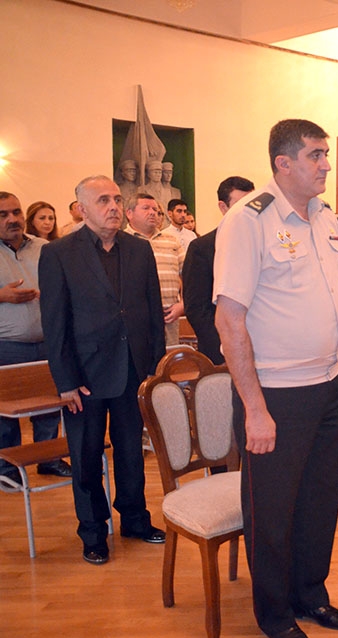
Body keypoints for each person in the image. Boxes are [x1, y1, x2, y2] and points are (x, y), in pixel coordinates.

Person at [214, 119, 338, 638]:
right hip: (275, 392)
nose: (326, 165)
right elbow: (230, 321)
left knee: (320, 501)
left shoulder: (325, 216)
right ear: (284, 162)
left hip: (326, 385)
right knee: (272, 511)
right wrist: (254, 408)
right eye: (317, 155)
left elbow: (336, 301)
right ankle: (275, 614)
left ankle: (311, 595)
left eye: (326, 154)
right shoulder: (248, 221)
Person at [39, 175, 167, 565]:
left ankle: (135, 519)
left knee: (131, 452)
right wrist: (66, 381)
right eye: (103, 200)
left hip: (132, 370)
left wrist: (155, 370)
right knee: (86, 457)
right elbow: (55, 323)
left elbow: (152, 311)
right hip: (85, 376)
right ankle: (93, 532)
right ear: (81, 209)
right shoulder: (59, 253)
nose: (113, 206)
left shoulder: (139, 249)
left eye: (116, 199)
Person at [0, 192, 72, 483]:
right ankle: (7, 468)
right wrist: (2, 295)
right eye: (3, 214)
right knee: (6, 412)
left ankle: (48, 459)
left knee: (49, 406)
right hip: (7, 346)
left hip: (47, 342)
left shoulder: (44, 248)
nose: (13, 219)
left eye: (16, 212)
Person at [182, 176, 255, 366]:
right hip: (221, 351)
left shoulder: (263, 242)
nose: (248, 212)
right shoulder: (202, 248)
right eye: (241, 206)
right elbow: (197, 309)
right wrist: (227, 346)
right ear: (223, 207)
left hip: (263, 347)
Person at [123, 193, 185, 345]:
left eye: (155, 209)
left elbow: (189, 276)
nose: (152, 213)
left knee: (169, 358)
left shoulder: (171, 241)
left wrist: (183, 304)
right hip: (135, 319)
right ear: (129, 213)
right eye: (146, 208)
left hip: (169, 317)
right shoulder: (121, 242)